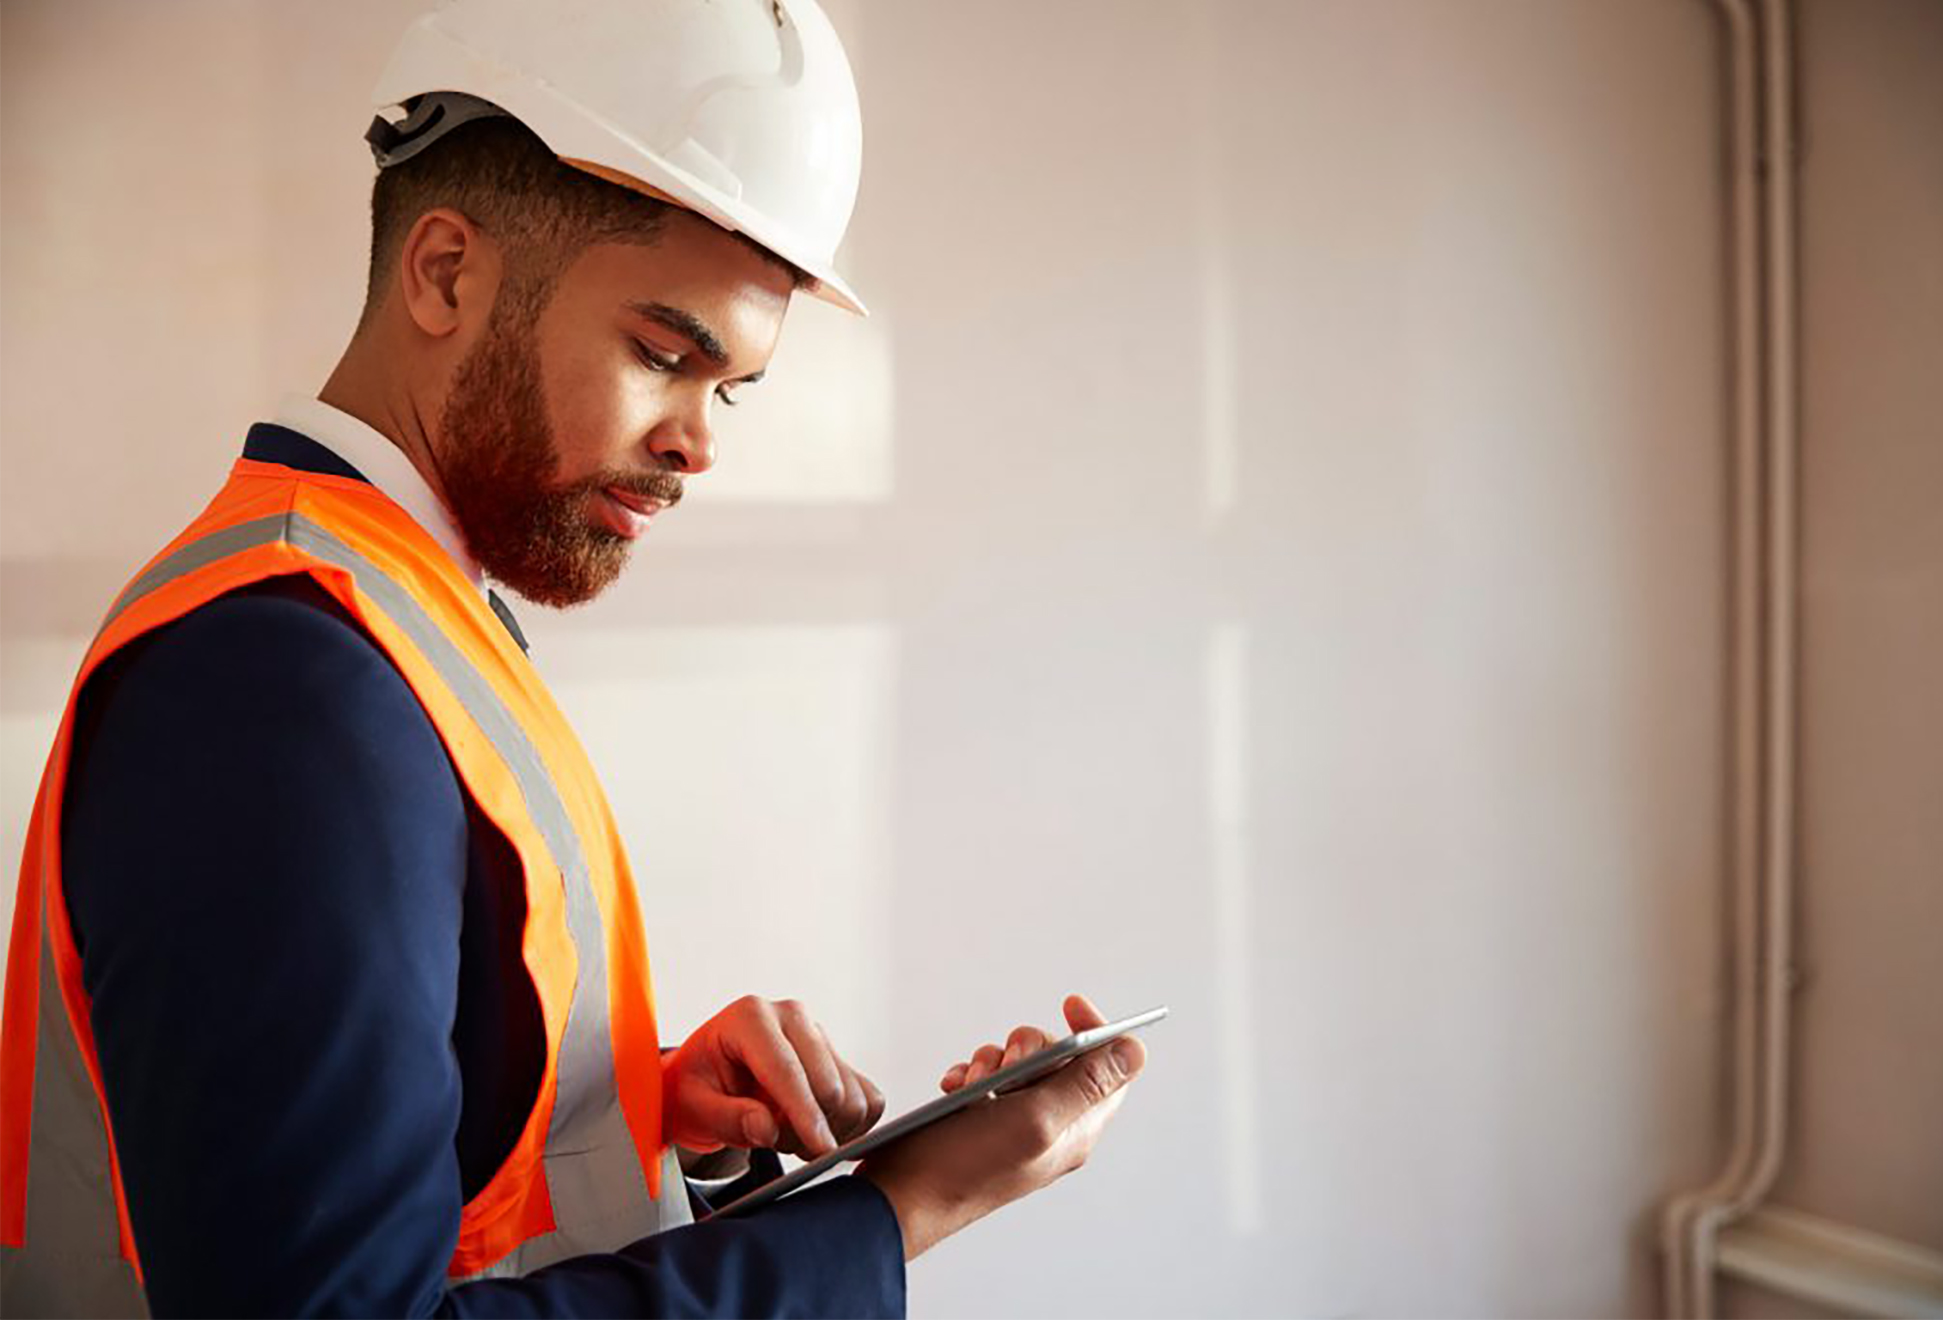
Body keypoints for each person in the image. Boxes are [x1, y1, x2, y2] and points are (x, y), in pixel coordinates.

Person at [0, 2, 1148, 1315]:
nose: (700, 443)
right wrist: (904, 1211)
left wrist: (647, 1109)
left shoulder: (396, 615)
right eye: (665, 354)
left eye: (731, 389)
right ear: (444, 274)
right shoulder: (285, 680)